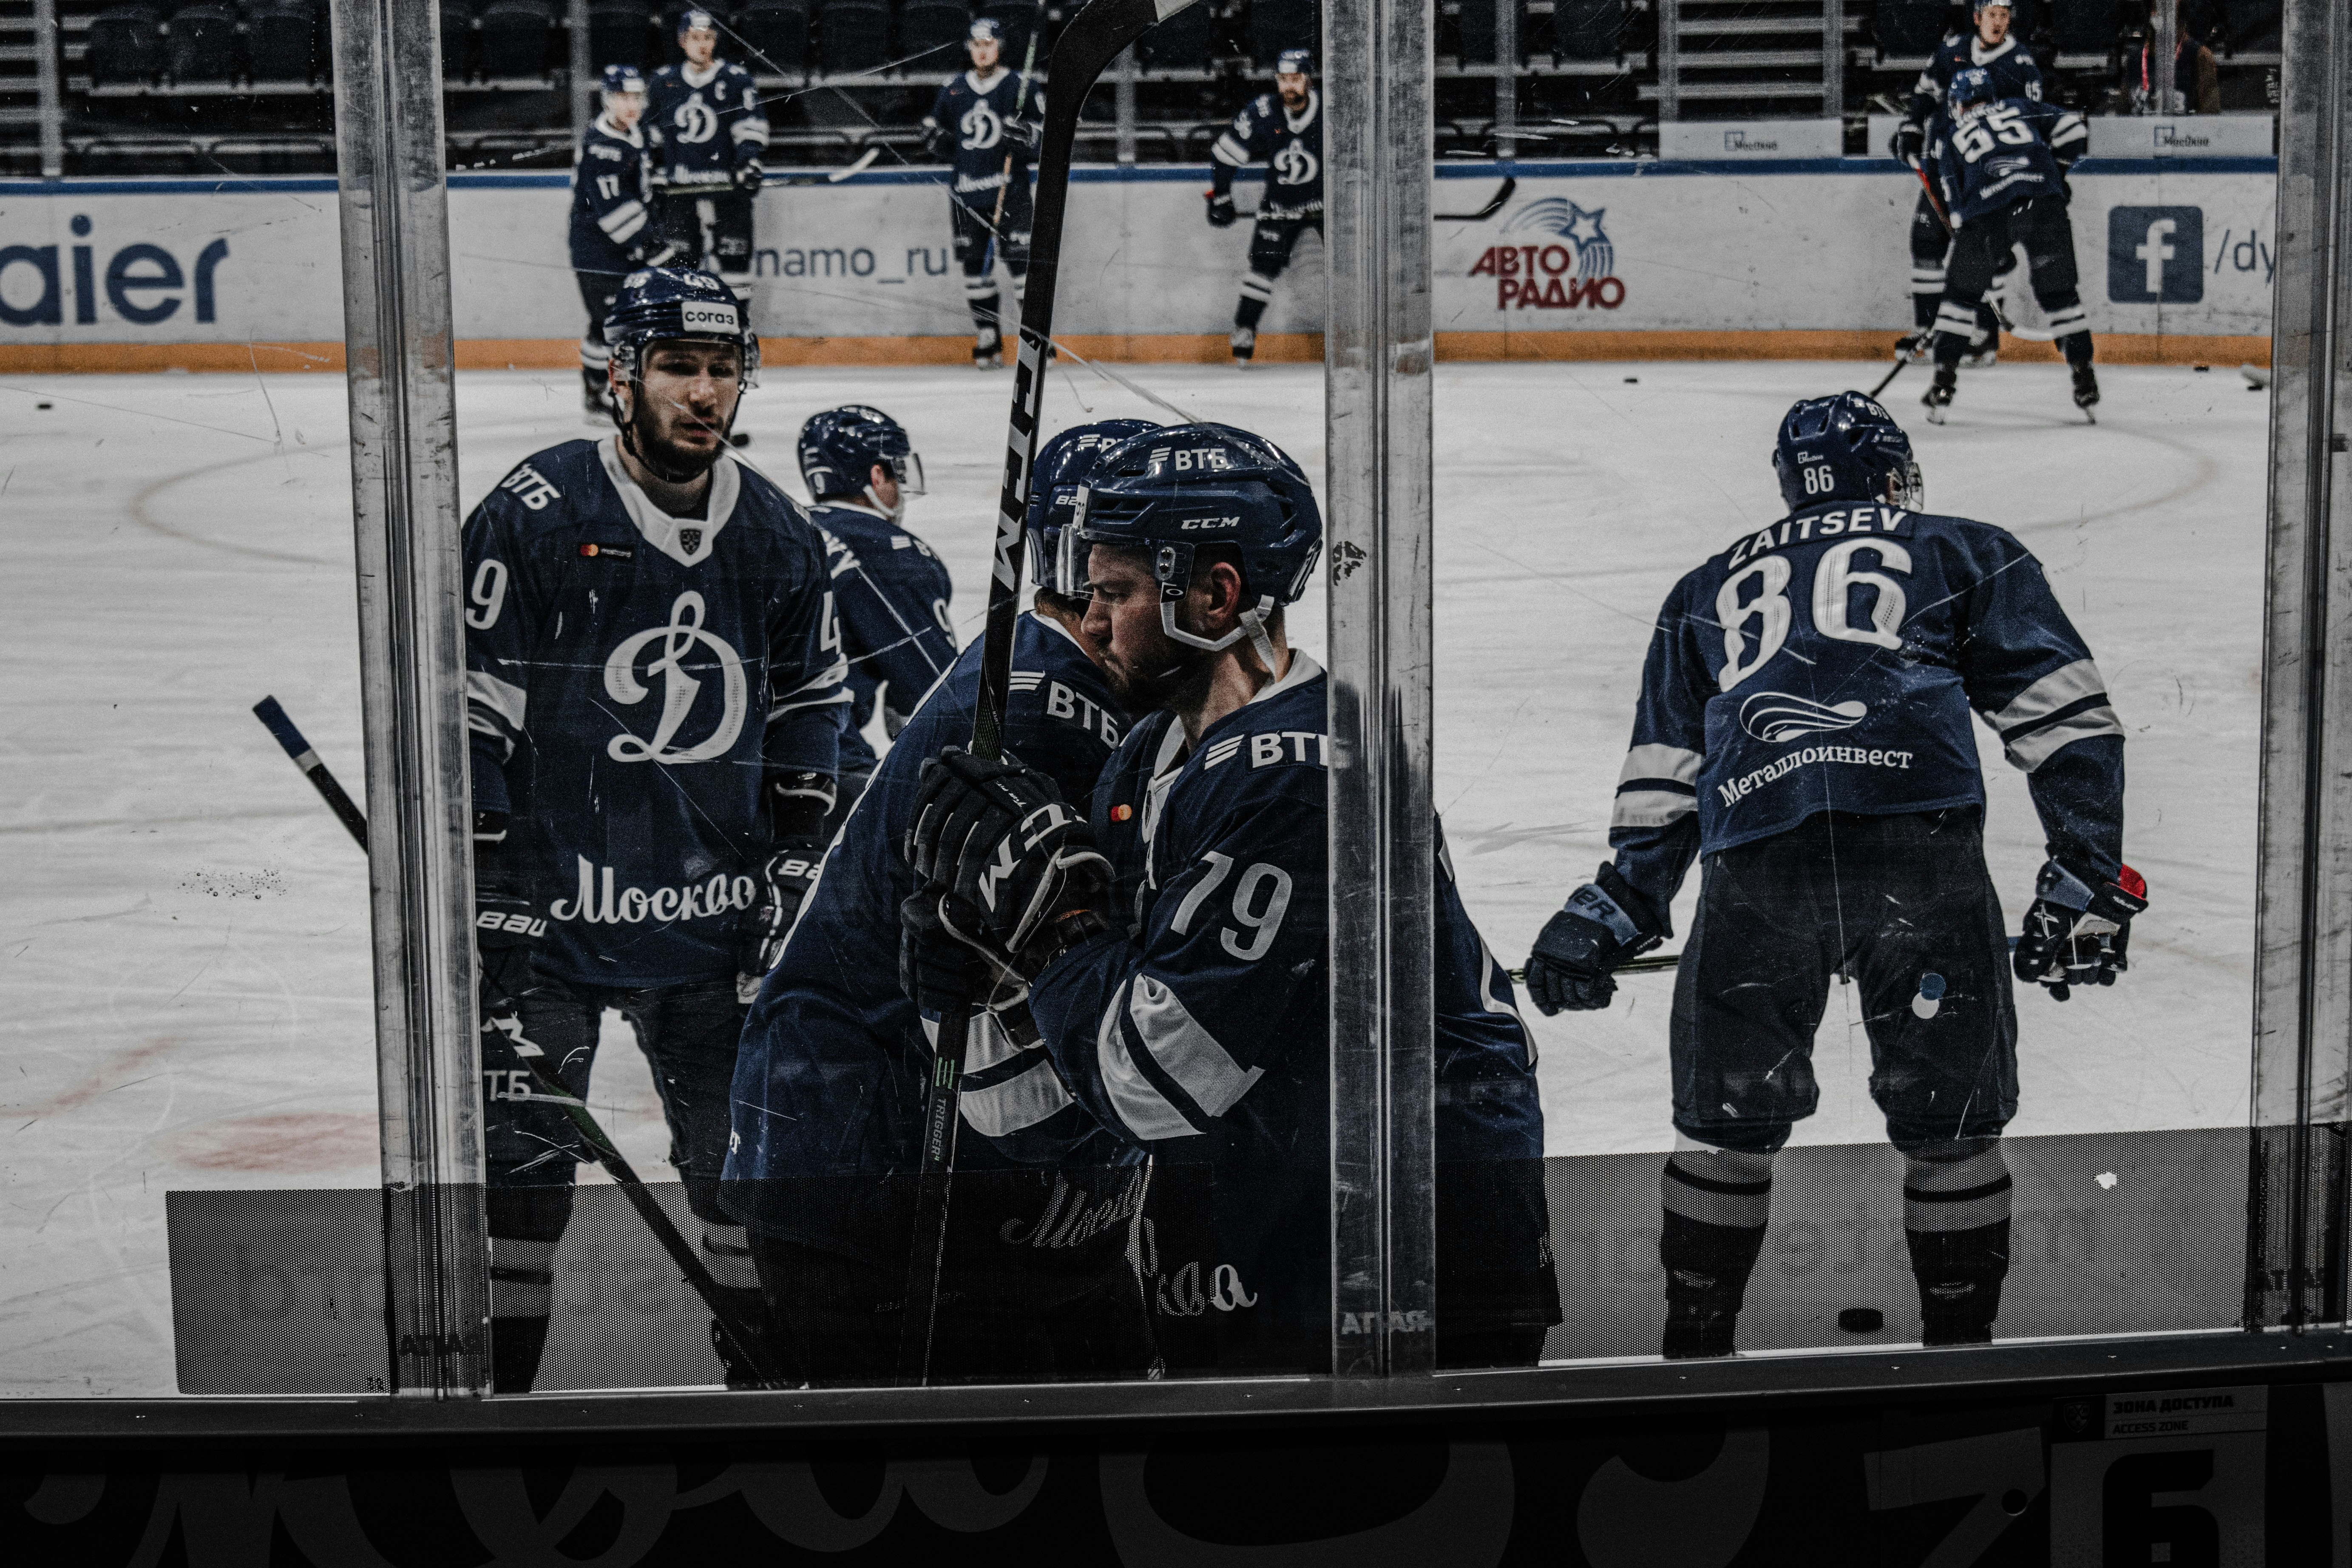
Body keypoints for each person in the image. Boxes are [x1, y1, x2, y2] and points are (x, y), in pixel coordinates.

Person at [899, 422, 1558, 1372]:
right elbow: (1024, 1101)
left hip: (1401, 1250)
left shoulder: (1299, 767)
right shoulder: (1147, 756)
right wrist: (968, 982)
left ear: (1216, 595)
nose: (1086, 623)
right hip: (1255, 1237)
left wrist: (1049, 936)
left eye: (1115, 592)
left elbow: (1153, 1080)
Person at [1519, 393, 2145, 1358]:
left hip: (1756, 866)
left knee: (1724, 1133)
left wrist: (1614, 909)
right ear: (1892, 476)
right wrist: (2082, 875)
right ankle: (1958, 1364)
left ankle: (1696, 1360)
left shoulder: (1706, 586)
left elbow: (1664, 775)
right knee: (1953, 1134)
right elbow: (2065, 719)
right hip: (1918, 852)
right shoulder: (1958, 546)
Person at [462, 267, 850, 1392]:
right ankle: (498, 1408)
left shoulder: (777, 530)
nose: (703, 393)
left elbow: (810, 704)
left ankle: (761, 1399)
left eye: (723, 370)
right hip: (552, 929)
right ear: (620, 374)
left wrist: (794, 850)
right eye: (679, 366)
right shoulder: (534, 512)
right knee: (521, 1177)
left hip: (711, 925)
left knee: (737, 1176)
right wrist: (491, 876)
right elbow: (473, 708)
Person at [721, 420, 1158, 1386]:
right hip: (884, 1172)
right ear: (1082, 564)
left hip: (929, 1176)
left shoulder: (1070, 678)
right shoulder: (1047, 708)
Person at [795, 406, 956, 832]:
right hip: (824, 763)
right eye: (896, 472)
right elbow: (936, 695)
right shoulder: (895, 551)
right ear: (877, 476)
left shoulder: (782, 528)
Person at [1921, 68, 2095, 420]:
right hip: (2043, 202)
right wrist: (2056, 173)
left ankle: (1943, 382)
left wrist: (1980, 254)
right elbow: (2074, 128)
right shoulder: (2018, 106)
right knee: (2060, 294)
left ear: (1958, 105)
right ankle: (2084, 378)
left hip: (1988, 214)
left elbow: (1955, 210)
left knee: (1958, 298)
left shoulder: (1952, 134)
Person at [1890, 0, 2042, 371]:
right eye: (1991, 15)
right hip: (1941, 164)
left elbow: (2031, 122)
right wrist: (1912, 127)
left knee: (1989, 252)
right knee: (1926, 244)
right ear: (1976, 18)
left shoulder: (2021, 64)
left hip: (1987, 174)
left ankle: (1984, 335)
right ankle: (1927, 330)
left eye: (2004, 16)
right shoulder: (1952, 51)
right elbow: (1924, 93)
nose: (1998, 22)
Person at [922, 18, 1045, 369]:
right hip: (966, 192)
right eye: (976, 44)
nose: (982, 50)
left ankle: (1033, 339)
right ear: (968, 48)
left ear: (999, 47)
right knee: (975, 269)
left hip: (1012, 191)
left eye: (988, 43)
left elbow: (1045, 139)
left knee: (1023, 268)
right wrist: (934, 140)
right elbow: (941, 137)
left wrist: (1027, 137)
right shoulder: (953, 89)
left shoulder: (1022, 87)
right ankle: (987, 334)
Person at [1206, 49, 1323, 368]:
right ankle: (1245, 329)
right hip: (1280, 203)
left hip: (1329, 203)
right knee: (1262, 267)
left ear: (1308, 80)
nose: (1289, 86)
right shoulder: (1262, 110)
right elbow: (1225, 154)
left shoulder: (1331, 109)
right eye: (1283, 79)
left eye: (1295, 79)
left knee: (1357, 265)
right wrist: (1221, 196)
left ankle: (1365, 334)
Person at [646, 11, 766, 315]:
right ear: (683, 42)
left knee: (735, 262)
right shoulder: (663, 83)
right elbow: (648, 138)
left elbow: (749, 128)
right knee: (679, 265)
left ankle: (739, 330)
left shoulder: (736, 80)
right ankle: (684, 334)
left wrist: (748, 163)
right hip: (679, 193)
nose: (703, 45)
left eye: (708, 38)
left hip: (727, 190)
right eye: (696, 38)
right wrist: (650, 171)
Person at [569, 64, 656, 424]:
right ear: (607, 100)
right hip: (599, 251)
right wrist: (654, 247)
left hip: (617, 249)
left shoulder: (633, 133)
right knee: (611, 325)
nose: (630, 105)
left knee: (602, 324)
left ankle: (597, 392)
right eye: (623, 97)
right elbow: (614, 211)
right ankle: (600, 395)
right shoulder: (601, 147)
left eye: (636, 97)